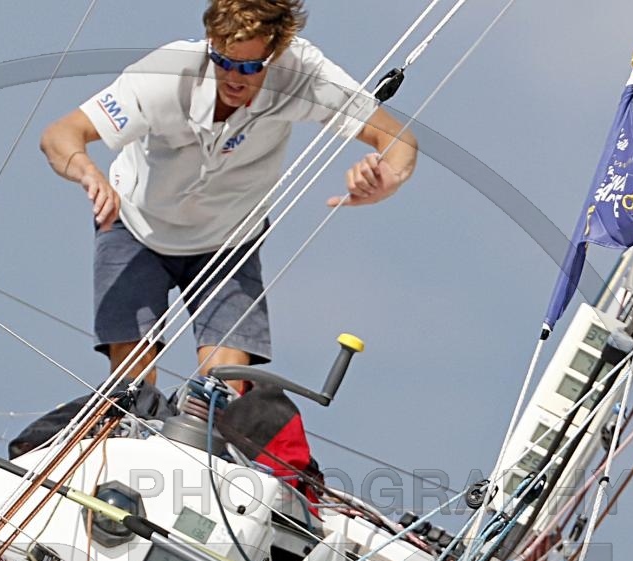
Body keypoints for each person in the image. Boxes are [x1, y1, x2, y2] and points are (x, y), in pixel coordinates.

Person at [39, 0, 417, 386]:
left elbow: (396, 139)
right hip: (137, 225)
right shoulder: (165, 74)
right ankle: (126, 416)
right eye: (223, 62)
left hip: (230, 239)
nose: (234, 78)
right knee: (131, 384)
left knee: (223, 387)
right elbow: (61, 134)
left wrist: (388, 178)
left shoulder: (303, 73)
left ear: (277, 52)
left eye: (251, 68)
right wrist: (87, 171)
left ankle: (210, 417)